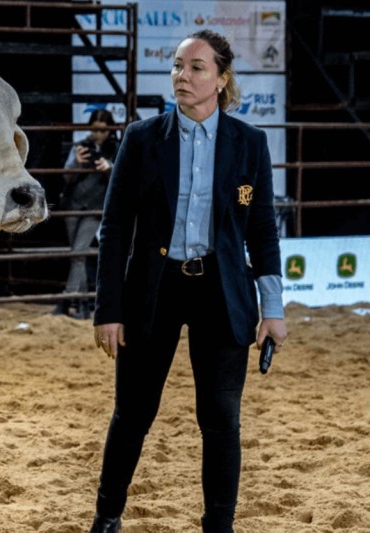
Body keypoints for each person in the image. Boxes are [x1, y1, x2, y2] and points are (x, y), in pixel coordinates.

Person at [88, 30, 288, 533]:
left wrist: (274, 310)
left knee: (221, 420)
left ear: (221, 80)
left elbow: (262, 231)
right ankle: (107, 517)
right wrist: (108, 309)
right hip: (153, 290)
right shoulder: (141, 138)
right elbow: (113, 231)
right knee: (132, 413)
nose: (182, 75)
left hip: (221, 293)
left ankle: (219, 526)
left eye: (196, 67)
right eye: (178, 66)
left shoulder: (250, 143)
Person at [52, 108, 119, 319]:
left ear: (109, 131)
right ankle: (82, 304)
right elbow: (66, 177)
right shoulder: (79, 147)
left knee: (78, 253)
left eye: (102, 130)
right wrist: (77, 163)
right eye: (94, 129)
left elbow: (123, 178)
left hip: (95, 207)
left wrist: (109, 167)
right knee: (76, 256)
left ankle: (65, 301)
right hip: (74, 204)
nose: (98, 134)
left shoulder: (116, 149)